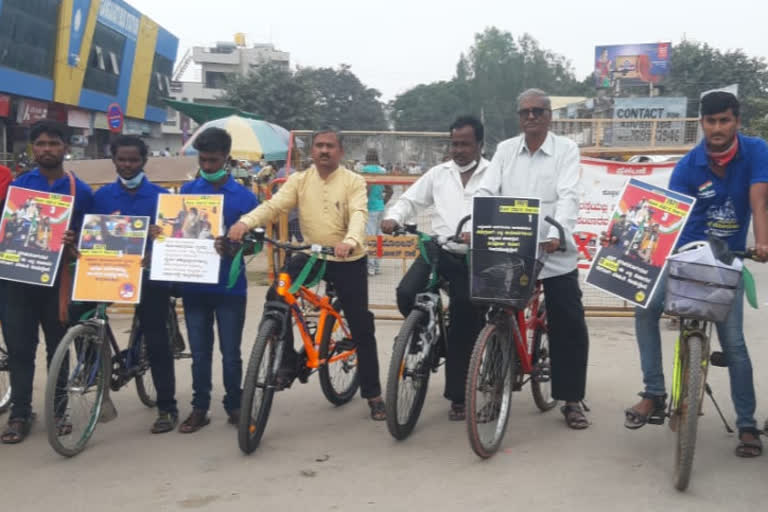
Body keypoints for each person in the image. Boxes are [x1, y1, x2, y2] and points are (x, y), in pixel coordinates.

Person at [622, 91, 768, 457]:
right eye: (711, 121)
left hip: (729, 259)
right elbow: (675, 222)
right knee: (645, 306)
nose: (717, 128)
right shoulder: (687, 167)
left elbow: (759, 200)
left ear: (736, 122)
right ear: (702, 123)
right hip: (688, 255)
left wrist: (762, 243)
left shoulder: (756, 151)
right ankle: (654, 392)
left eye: (725, 121)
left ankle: (747, 424)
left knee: (733, 343)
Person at [227, 128, 386, 421]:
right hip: (312, 254)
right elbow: (274, 206)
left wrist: (350, 241)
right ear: (312, 151)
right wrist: (244, 223)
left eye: (330, 146)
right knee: (277, 296)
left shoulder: (354, 181)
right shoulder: (299, 180)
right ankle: (286, 362)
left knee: (361, 325)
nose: (324, 151)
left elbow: (359, 214)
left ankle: (373, 394)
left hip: (348, 257)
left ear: (340, 151)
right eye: (319, 146)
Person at [476, 89, 590, 430]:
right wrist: (478, 222)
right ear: (519, 116)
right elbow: (486, 190)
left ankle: (571, 399)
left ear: (549, 115)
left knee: (568, 320)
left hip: (552, 248)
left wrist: (559, 234)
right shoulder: (505, 150)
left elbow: (569, 195)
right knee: (497, 313)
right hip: (513, 247)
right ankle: (494, 391)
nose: (531, 117)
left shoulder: (566, 150)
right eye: (525, 111)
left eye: (538, 111)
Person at [381, 115, 489, 420]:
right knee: (405, 293)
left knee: (465, 320)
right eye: (454, 143)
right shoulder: (439, 174)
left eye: (465, 144)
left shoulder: (495, 174)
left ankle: (458, 397)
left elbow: (504, 211)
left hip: (473, 257)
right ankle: (428, 337)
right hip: (437, 249)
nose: (458, 150)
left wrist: (481, 231)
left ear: (480, 144)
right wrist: (394, 217)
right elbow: (409, 201)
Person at [1, 120, 94, 444]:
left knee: (58, 348)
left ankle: (58, 410)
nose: (46, 150)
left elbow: (91, 241)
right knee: (19, 350)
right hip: (16, 282)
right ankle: (20, 414)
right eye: (40, 144)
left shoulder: (80, 191)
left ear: (66, 148)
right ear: (32, 149)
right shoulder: (18, 188)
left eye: (53, 144)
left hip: (58, 283)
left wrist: (73, 240)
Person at [85, 135, 179, 433]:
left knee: (156, 339)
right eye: (122, 159)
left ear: (143, 161)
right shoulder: (101, 197)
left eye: (133, 160)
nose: (127, 165)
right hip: (110, 274)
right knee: (84, 319)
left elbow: (174, 238)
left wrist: (159, 236)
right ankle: (91, 377)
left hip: (149, 277)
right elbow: (91, 235)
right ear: (113, 160)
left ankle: (167, 407)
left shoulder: (162, 197)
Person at [177, 127, 259, 433]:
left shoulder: (244, 198)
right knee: (199, 352)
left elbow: (256, 244)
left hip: (229, 286)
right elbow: (177, 232)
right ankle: (200, 407)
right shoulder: (186, 193)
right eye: (203, 160)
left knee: (231, 352)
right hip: (194, 286)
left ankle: (235, 405)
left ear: (227, 158)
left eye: (213, 160)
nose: (207, 166)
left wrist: (236, 246)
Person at [361, 149, 392, 276]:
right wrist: (382, 202)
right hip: (380, 207)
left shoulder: (364, 171)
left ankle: (371, 267)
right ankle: (377, 266)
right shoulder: (383, 171)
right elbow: (390, 191)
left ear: (367, 158)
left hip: (369, 208)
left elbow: (366, 190)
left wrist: (363, 204)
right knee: (378, 238)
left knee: (369, 238)